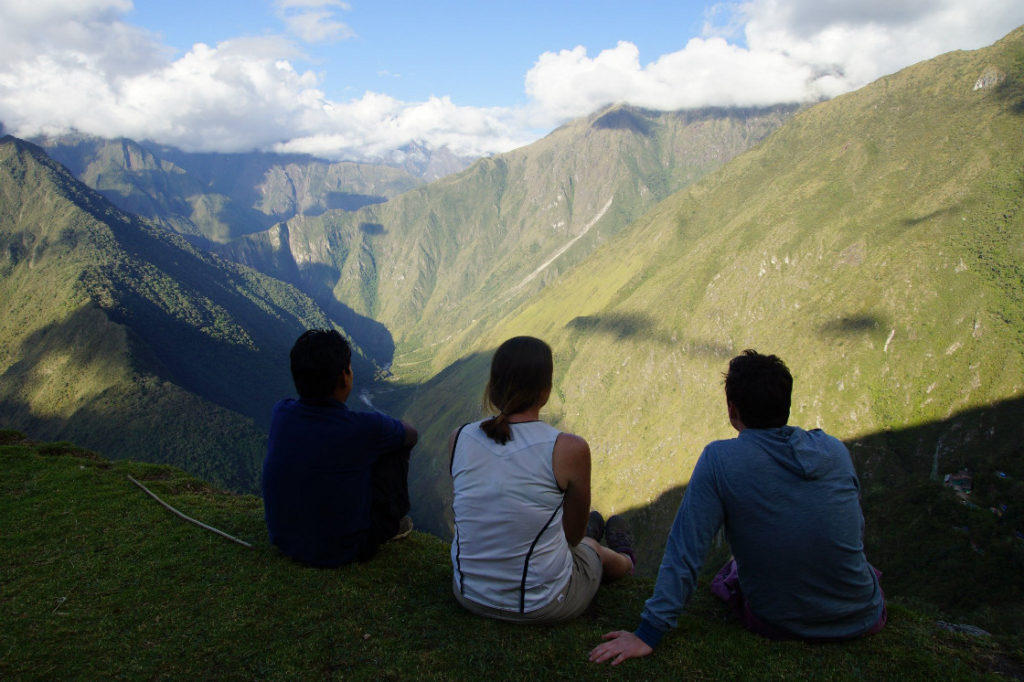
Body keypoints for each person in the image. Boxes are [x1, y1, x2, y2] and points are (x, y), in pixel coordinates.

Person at [590, 350, 886, 665]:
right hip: (863, 614)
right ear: (786, 405)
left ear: (732, 410)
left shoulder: (719, 460)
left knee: (731, 572)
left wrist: (648, 633)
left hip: (780, 622)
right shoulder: (834, 450)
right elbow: (852, 531)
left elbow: (685, 551)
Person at [449, 336, 635, 623]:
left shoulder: (459, 437)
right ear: (545, 391)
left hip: (468, 593)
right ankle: (626, 560)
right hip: (538, 603)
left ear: (493, 386)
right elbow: (572, 538)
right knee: (590, 549)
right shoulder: (567, 448)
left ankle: (592, 532)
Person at [262, 329, 418, 567]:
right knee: (394, 447)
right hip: (345, 550)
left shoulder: (280, 412)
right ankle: (390, 521)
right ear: (345, 377)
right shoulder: (364, 428)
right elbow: (411, 435)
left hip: (284, 540)